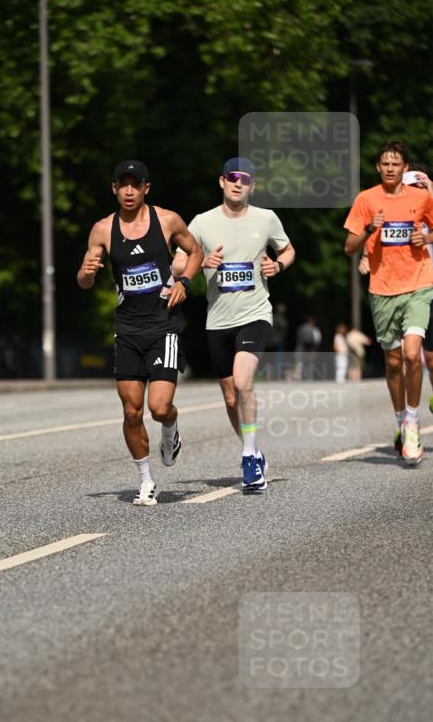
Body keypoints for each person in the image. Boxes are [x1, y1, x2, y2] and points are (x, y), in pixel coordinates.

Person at [76, 160, 202, 505]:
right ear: (114, 189)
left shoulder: (167, 220)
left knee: (159, 407)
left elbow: (195, 252)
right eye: (123, 184)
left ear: (147, 188)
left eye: (136, 185)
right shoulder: (102, 229)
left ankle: (170, 429)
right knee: (131, 412)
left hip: (164, 326)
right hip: (127, 329)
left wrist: (185, 282)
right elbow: (85, 281)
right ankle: (146, 480)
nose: (129, 191)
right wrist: (86, 273)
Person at [171, 157, 295, 492]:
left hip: (255, 314)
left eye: (245, 179)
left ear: (251, 186)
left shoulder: (266, 218)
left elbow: (288, 250)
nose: (238, 183)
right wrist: (199, 264)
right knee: (229, 398)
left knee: (243, 381)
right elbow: (179, 260)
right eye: (232, 178)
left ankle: (249, 456)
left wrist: (278, 266)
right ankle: (254, 448)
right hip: (218, 319)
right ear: (222, 182)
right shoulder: (202, 222)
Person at [344, 141, 433, 465]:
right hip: (382, 289)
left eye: (396, 163)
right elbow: (350, 246)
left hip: (419, 284)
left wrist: (428, 237)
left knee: (412, 353)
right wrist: (371, 228)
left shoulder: (421, 198)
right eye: (385, 163)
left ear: (405, 167)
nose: (391, 168)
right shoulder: (367, 200)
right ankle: (400, 419)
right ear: (378, 168)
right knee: (393, 362)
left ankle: (412, 421)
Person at [402, 165, 433, 414]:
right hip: (408, 292)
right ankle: (405, 420)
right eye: (412, 188)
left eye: (421, 187)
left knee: (432, 360)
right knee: (410, 357)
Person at [294, 315, 323, 381]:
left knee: (300, 364)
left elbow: (298, 338)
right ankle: (309, 378)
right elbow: (318, 340)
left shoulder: (301, 328)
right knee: (309, 364)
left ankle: (298, 378)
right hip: (310, 350)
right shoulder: (315, 329)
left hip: (301, 349)